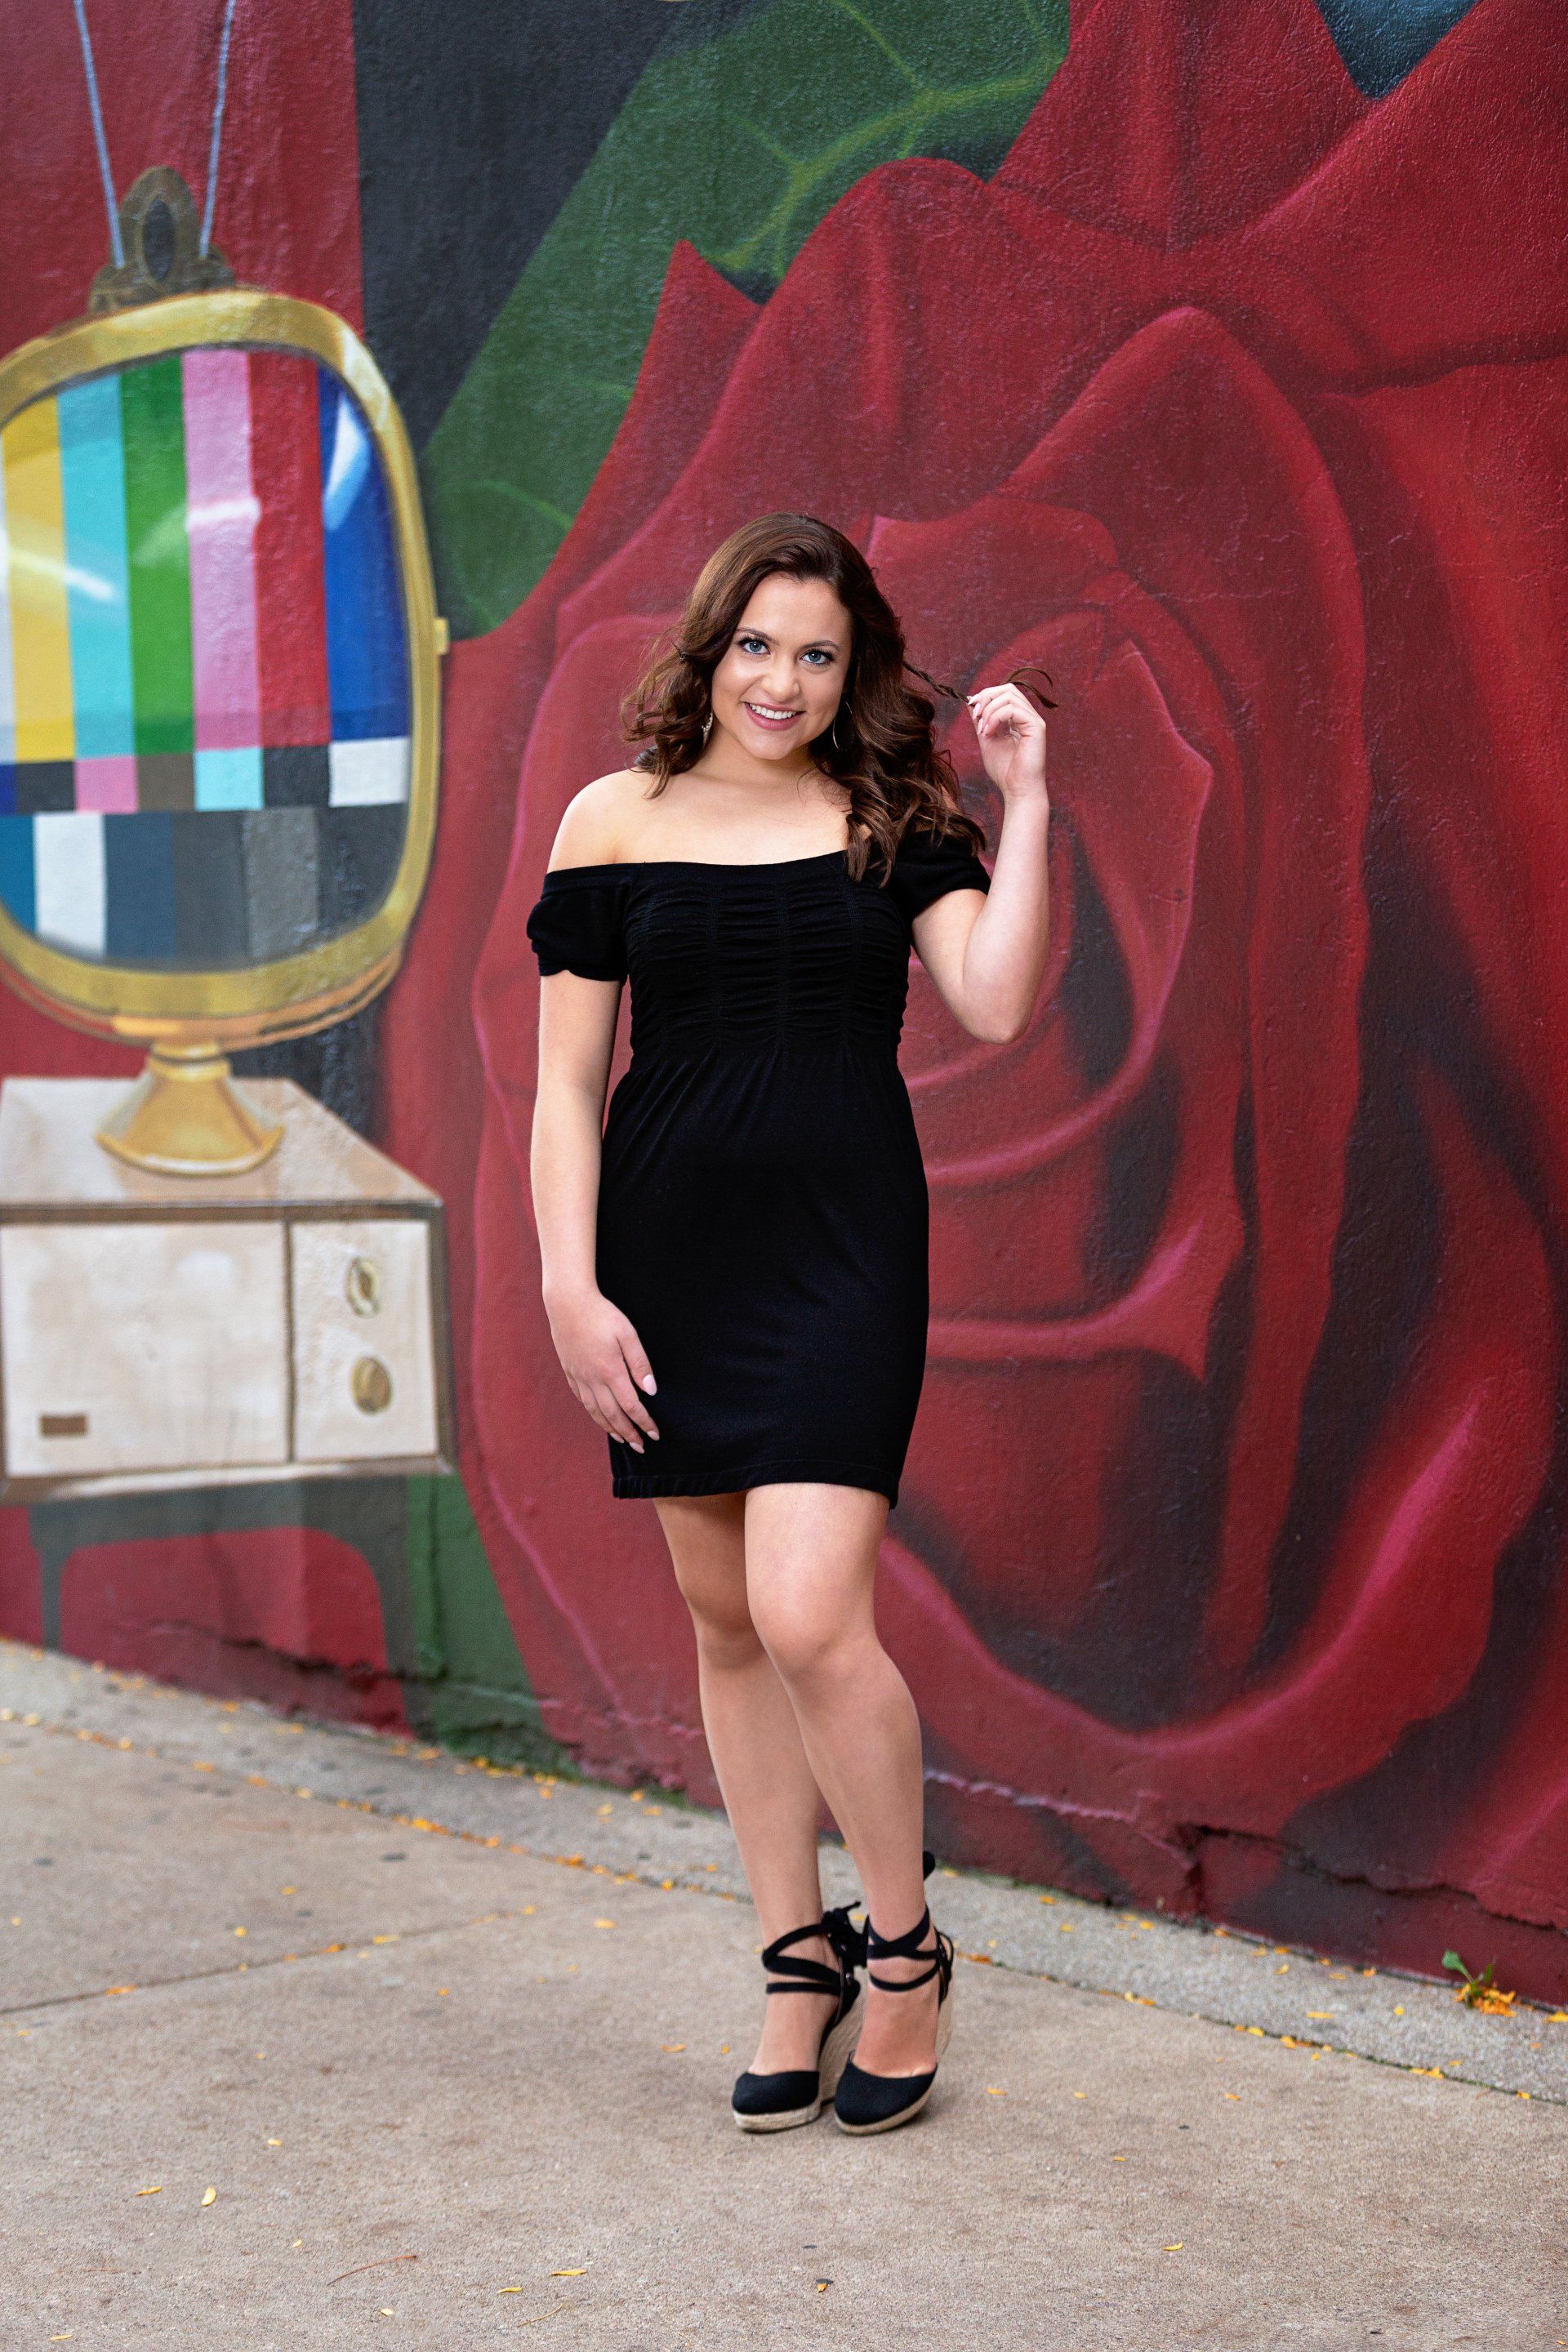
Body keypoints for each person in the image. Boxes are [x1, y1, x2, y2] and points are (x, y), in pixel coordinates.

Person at [526, 513, 1052, 2136]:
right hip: (668, 1257)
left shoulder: (894, 813)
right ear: (712, 643)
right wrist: (567, 1283)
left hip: (841, 1254)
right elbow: (561, 1086)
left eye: (818, 654)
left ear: (855, 670)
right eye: (759, 643)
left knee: (811, 1611)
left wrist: (1028, 807)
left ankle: (904, 1950)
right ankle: (792, 1954)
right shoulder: (612, 819)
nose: (783, 678)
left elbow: (997, 998)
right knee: (729, 1624)